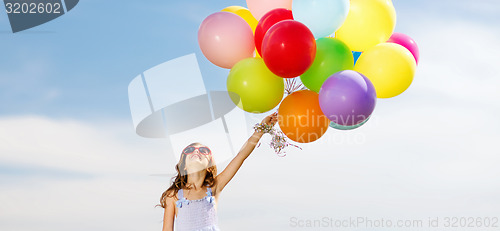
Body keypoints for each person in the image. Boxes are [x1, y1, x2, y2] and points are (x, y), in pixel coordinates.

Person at [158, 113, 278, 231]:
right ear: (183, 166)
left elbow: (241, 156)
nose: (196, 151)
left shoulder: (214, 187)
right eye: (190, 150)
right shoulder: (173, 195)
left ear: (209, 166)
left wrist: (262, 129)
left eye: (203, 150)